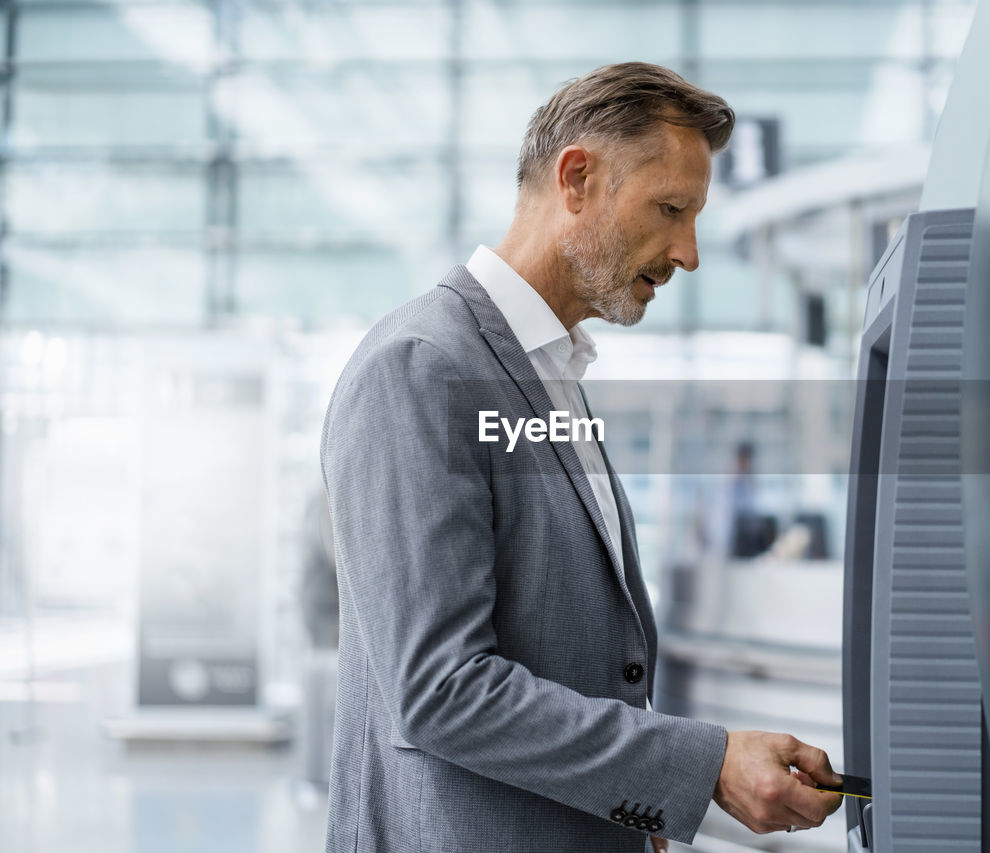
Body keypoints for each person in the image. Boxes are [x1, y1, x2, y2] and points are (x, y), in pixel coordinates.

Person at [321, 62, 843, 853]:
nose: (689, 252)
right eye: (671, 209)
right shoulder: (423, 367)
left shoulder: (551, 371)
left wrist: (637, 798)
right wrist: (701, 768)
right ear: (577, 178)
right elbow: (441, 691)